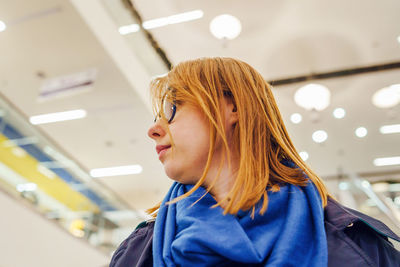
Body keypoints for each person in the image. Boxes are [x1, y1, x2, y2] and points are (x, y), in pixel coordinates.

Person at [110, 57, 400, 267]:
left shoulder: (359, 243)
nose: (154, 130)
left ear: (233, 107)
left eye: (173, 108)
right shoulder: (137, 251)